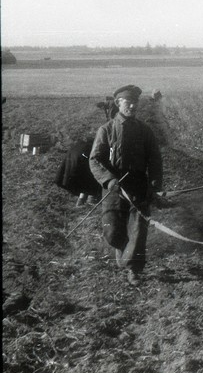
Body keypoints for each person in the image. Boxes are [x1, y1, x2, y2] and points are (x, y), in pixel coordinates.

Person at [90, 85, 163, 286]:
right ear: (118, 103)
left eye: (135, 102)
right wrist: (109, 180)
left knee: (138, 230)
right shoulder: (106, 130)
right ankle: (124, 251)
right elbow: (94, 159)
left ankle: (133, 269)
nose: (132, 106)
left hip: (138, 188)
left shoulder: (144, 130)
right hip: (113, 188)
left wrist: (155, 186)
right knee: (112, 232)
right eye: (127, 102)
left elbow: (155, 160)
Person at [55, 138, 102, 206]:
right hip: (80, 164)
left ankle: (81, 200)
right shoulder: (93, 146)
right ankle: (91, 199)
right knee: (96, 174)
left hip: (74, 166)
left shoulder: (80, 145)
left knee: (87, 177)